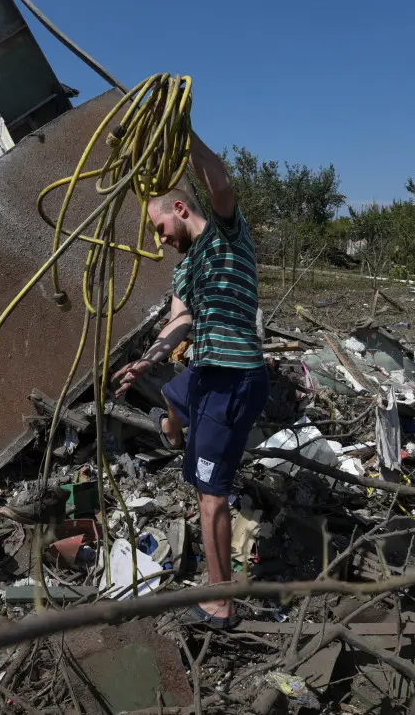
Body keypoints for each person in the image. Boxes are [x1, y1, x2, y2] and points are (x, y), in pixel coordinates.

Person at [114, 133, 269, 629]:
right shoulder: (186, 274)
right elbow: (179, 322)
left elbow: (218, 179)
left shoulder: (226, 233)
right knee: (170, 392)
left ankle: (221, 601)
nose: (160, 240)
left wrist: (184, 132)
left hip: (233, 377)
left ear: (180, 208)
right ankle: (176, 428)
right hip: (204, 375)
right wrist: (150, 357)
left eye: (160, 228)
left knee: (210, 496)